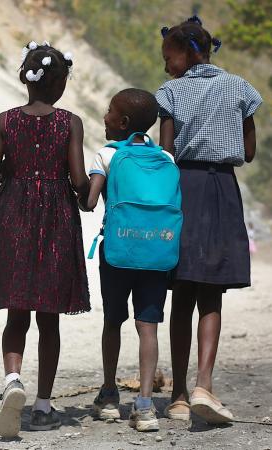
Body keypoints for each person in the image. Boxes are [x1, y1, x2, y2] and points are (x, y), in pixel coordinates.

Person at [0, 40, 90, 437]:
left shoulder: (5, 120)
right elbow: (78, 179)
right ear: (61, 84)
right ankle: (45, 405)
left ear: (25, 78)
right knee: (49, 317)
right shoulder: (70, 123)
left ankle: (12, 381)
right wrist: (89, 190)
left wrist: (14, 171)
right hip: (55, 221)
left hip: (12, 215)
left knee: (17, 313)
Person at [156, 16, 262, 424]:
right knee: (211, 293)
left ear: (188, 53)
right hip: (221, 190)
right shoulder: (238, 87)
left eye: (170, 58)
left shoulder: (171, 92)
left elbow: (166, 154)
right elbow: (249, 151)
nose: (167, 66)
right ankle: (205, 385)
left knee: (180, 294)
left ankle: (179, 396)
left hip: (182, 189)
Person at [85, 88, 178, 432]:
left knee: (113, 321)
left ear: (122, 122)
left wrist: (79, 186)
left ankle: (109, 396)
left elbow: (90, 202)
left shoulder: (107, 155)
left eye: (109, 111)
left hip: (119, 253)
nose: (104, 117)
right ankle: (145, 406)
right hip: (158, 252)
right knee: (148, 326)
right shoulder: (166, 160)